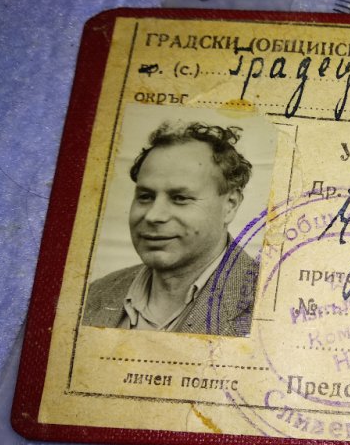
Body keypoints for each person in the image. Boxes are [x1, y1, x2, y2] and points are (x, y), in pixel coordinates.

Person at [82, 121, 258, 336]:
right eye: (145, 196)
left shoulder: (266, 304)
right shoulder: (94, 293)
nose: (153, 216)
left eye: (180, 198)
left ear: (230, 205)